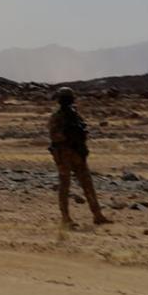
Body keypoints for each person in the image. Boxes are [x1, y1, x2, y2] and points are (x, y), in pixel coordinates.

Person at [48, 87, 110, 227]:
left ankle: (97, 215)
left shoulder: (74, 114)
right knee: (65, 186)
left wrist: (80, 141)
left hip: (77, 153)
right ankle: (66, 218)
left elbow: (82, 131)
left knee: (87, 183)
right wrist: (68, 137)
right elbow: (54, 136)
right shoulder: (56, 116)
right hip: (64, 154)